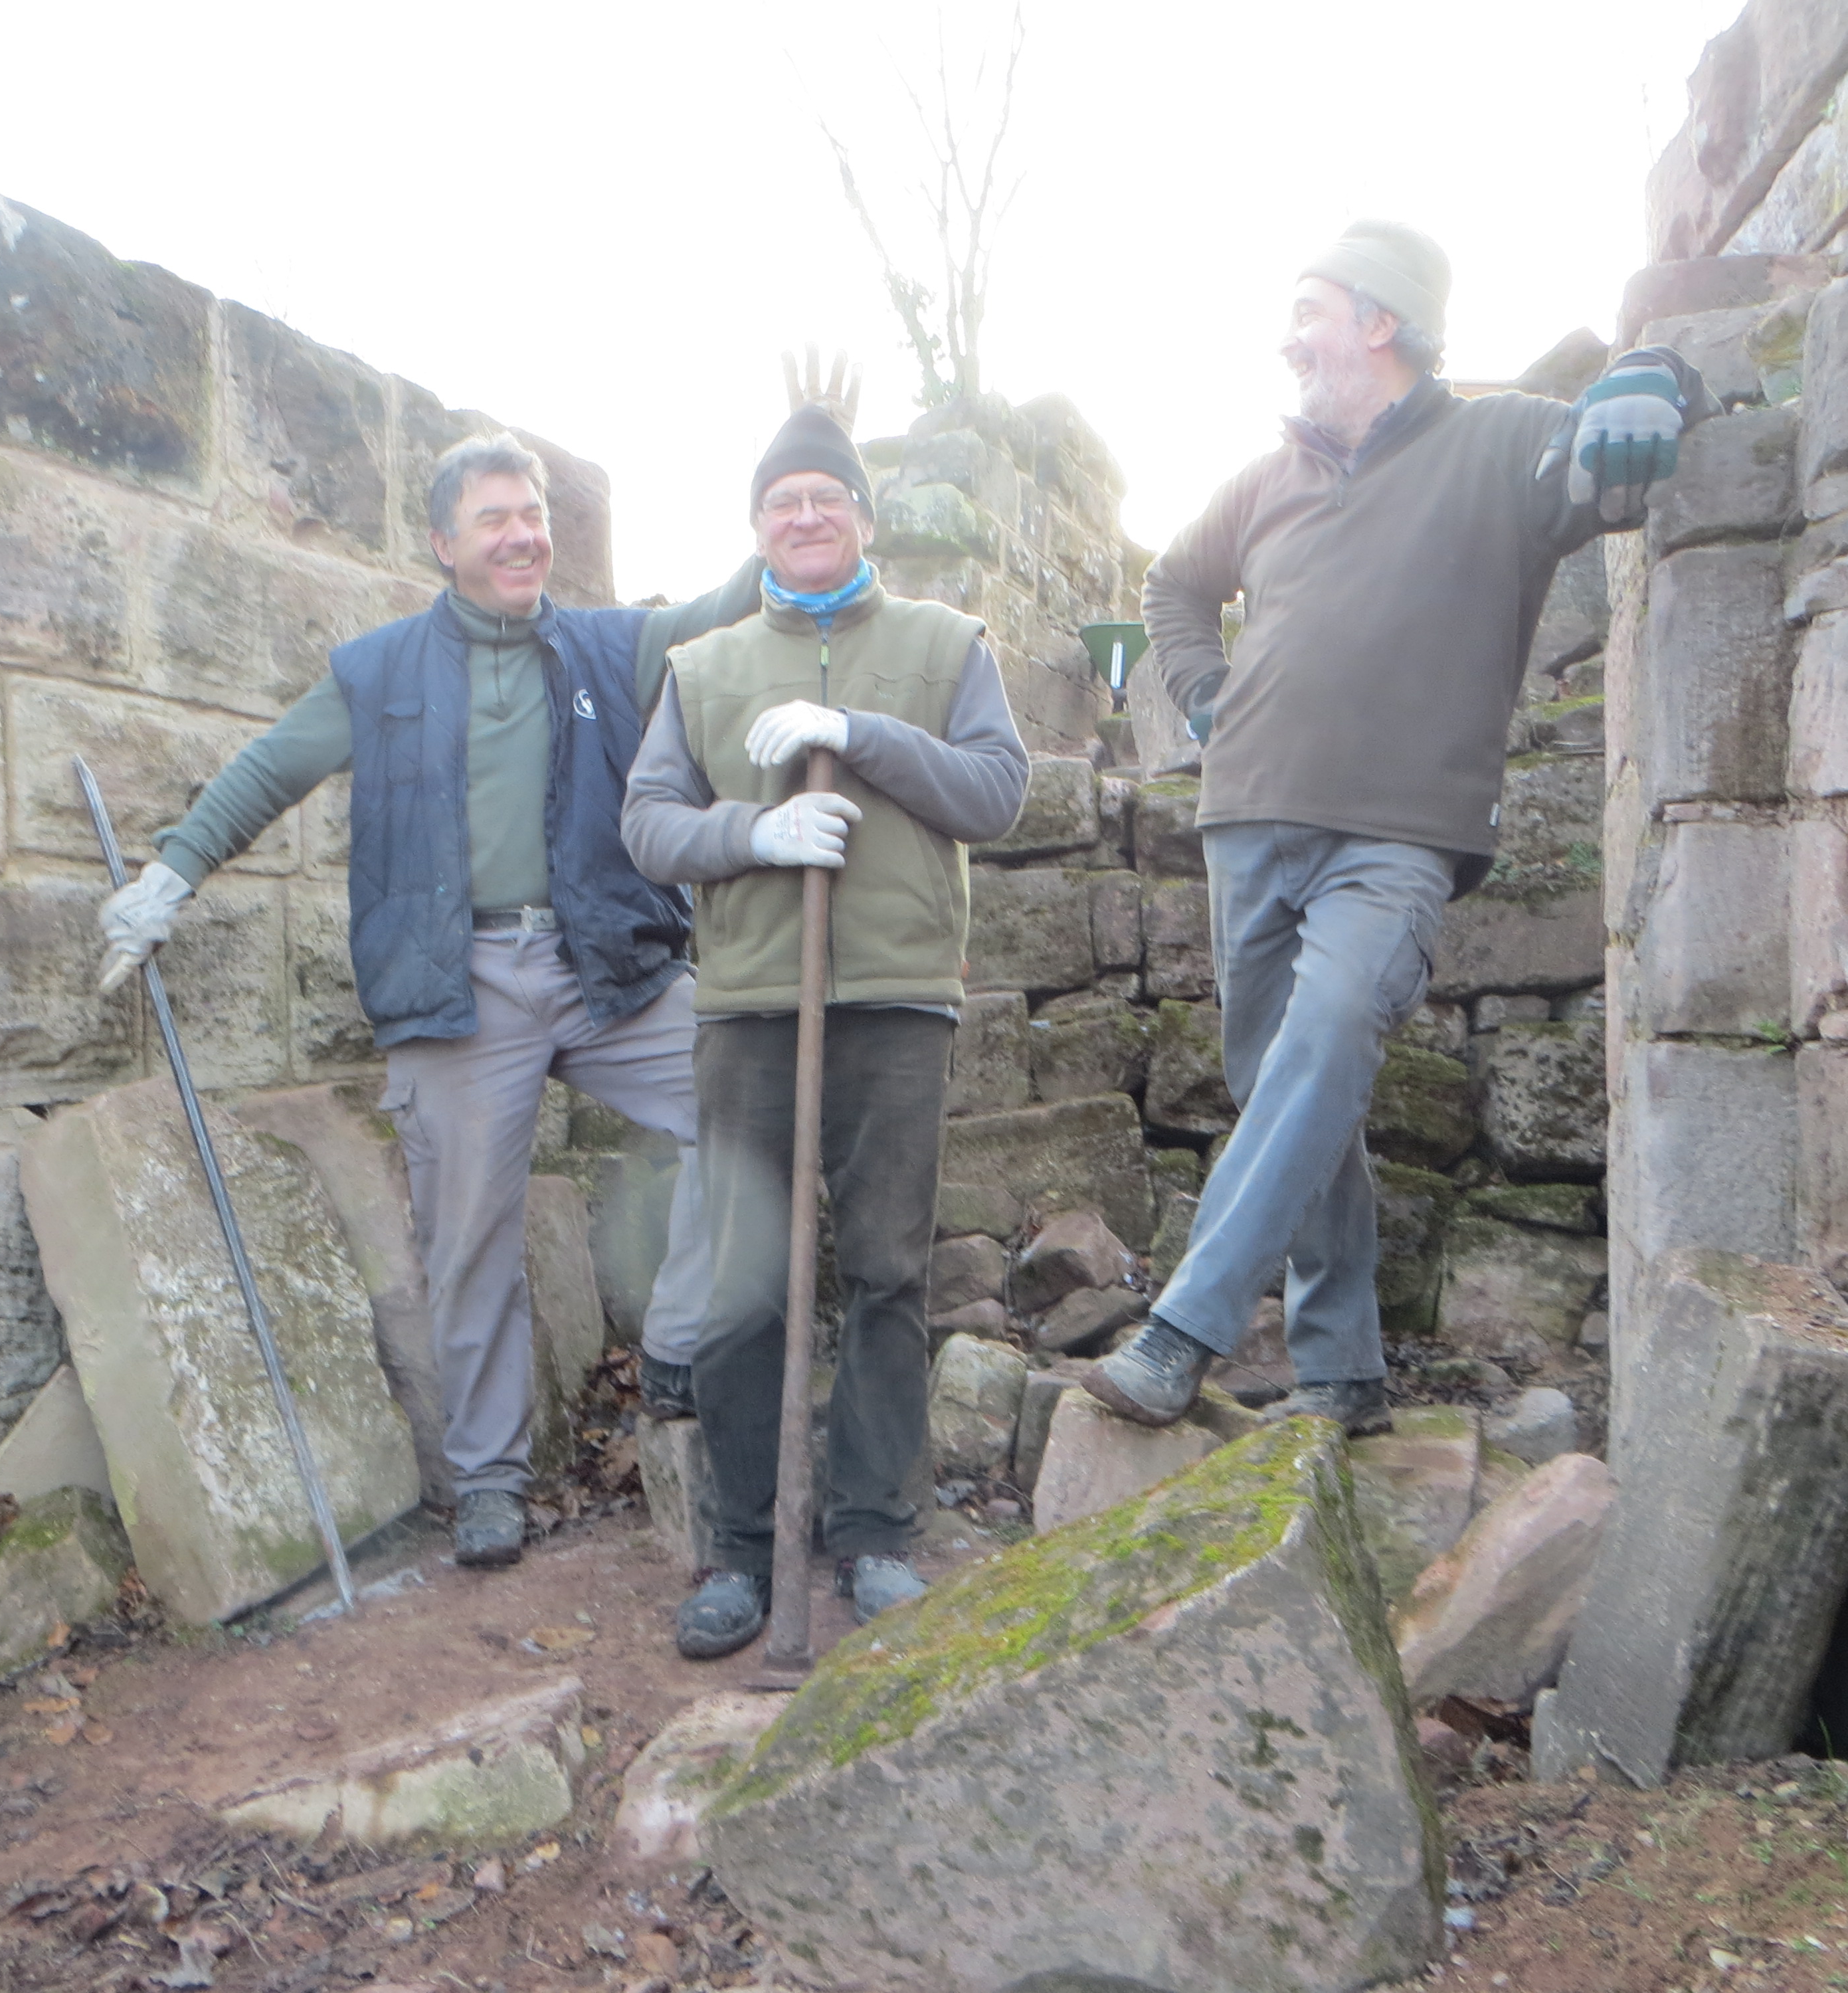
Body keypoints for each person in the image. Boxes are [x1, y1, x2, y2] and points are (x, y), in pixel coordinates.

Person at [94, 430, 763, 1568]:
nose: (522, 536)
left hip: (608, 961)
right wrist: (170, 877)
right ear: (445, 543)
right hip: (461, 984)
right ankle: (491, 1479)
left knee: (742, 1102)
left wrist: (793, 496)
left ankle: (679, 1346)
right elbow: (272, 769)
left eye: (533, 515)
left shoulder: (611, 646)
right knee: (468, 1238)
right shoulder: (381, 671)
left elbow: (722, 612)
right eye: (495, 519)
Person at [1085, 219, 1707, 1438]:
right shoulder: (1264, 479)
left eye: (1307, 311)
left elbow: (1614, 436)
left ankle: (1184, 1331)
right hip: (1247, 819)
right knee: (1291, 1094)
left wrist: (1659, 375)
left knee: (1323, 1041)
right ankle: (1342, 1370)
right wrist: (1209, 694)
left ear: (1380, 319)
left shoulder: (1501, 441)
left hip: (1397, 834)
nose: (1287, 339)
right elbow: (1173, 584)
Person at [621, 400, 1030, 1658]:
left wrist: (861, 738)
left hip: (896, 1001)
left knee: (889, 1273)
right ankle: (744, 1549)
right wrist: (755, 831)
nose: (806, 517)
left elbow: (996, 792)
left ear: (863, 515)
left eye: (827, 497)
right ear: (758, 526)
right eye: (783, 501)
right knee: (746, 1284)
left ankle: (872, 1531)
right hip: (753, 1006)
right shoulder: (702, 668)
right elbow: (647, 825)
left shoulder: (945, 645)